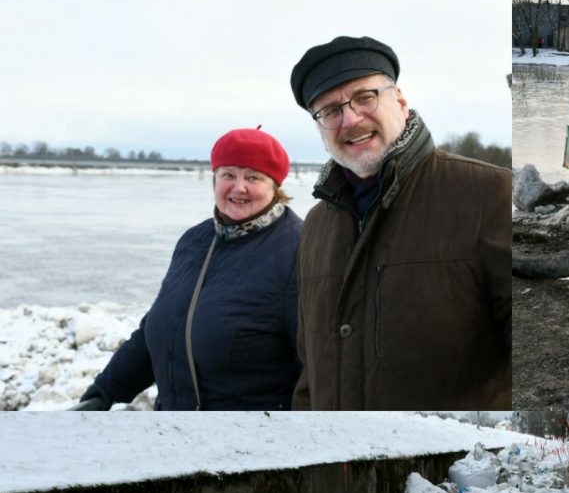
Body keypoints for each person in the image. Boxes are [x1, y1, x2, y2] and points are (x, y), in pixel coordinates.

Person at [288, 35, 511, 410]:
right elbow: (310, 368)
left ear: (400, 101)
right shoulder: (315, 225)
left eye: (364, 97)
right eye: (329, 110)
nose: (350, 119)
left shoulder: (488, 195)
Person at [78, 128, 302, 410]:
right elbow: (161, 325)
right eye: (228, 175)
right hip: (177, 431)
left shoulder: (298, 250)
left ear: (275, 187)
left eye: (253, 177)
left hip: (253, 439)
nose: (239, 187)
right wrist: (106, 390)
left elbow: (316, 365)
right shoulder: (196, 240)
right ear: (214, 179)